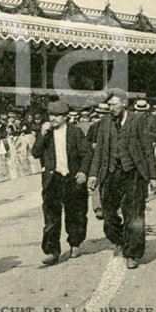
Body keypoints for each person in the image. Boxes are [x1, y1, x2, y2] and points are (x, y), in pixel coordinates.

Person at [88, 90, 156, 270]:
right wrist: (93, 174)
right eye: (109, 105)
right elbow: (99, 152)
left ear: (124, 104)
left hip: (133, 173)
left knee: (134, 214)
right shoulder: (104, 123)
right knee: (108, 214)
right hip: (111, 173)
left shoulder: (138, 120)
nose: (111, 108)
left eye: (114, 105)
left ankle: (132, 253)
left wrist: (153, 177)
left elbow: (147, 150)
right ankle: (119, 239)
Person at [32, 100, 93, 265]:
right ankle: (52, 251)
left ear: (65, 117)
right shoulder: (46, 133)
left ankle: (75, 243)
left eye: (58, 116)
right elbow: (35, 153)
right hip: (53, 179)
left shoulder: (75, 132)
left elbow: (87, 153)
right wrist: (42, 135)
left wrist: (83, 171)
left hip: (72, 178)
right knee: (51, 217)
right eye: (51, 115)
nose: (54, 119)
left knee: (76, 214)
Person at [87, 103, 109, 219]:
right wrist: (92, 145)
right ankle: (98, 207)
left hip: (110, 158)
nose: (102, 116)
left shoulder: (115, 126)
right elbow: (86, 142)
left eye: (105, 114)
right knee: (96, 182)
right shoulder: (94, 126)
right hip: (97, 158)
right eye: (100, 113)